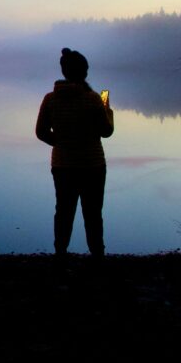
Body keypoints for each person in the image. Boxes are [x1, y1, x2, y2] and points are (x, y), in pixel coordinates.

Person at [35, 48, 114, 257]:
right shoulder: (94, 99)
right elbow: (107, 132)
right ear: (84, 72)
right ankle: (97, 255)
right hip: (93, 166)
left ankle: (60, 253)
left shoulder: (50, 99)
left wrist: (62, 144)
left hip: (62, 166)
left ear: (64, 71)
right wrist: (108, 109)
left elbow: (40, 132)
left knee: (63, 211)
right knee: (93, 213)